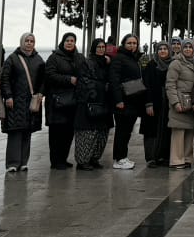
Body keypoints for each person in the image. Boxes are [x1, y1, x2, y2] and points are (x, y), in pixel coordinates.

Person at [1, 32, 45, 173]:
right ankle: (12, 163)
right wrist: (8, 96)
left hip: (31, 102)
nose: (29, 43)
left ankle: (23, 162)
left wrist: (40, 93)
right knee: (15, 132)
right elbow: (5, 78)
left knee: (27, 131)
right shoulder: (12, 59)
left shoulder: (38, 59)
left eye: (32, 41)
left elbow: (44, 80)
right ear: (22, 42)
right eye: (27, 40)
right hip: (15, 101)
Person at [74, 39, 118, 170]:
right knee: (87, 134)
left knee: (101, 134)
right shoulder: (87, 63)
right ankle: (83, 161)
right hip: (90, 103)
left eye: (103, 47)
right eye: (98, 47)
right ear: (93, 48)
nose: (101, 49)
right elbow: (84, 80)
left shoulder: (107, 63)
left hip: (105, 103)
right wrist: (99, 87)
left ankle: (94, 158)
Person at [43, 32, 85, 170]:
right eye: (67, 40)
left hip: (73, 101)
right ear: (63, 42)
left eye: (72, 40)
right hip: (58, 101)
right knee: (57, 133)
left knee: (68, 132)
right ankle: (55, 161)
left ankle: (63, 158)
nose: (69, 43)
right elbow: (49, 75)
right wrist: (68, 79)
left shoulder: (79, 58)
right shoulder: (54, 57)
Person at [109, 34, 148, 170]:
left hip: (133, 100)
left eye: (134, 43)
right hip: (124, 101)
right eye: (129, 43)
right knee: (122, 130)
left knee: (127, 131)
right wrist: (118, 100)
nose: (132, 46)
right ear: (123, 44)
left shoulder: (133, 58)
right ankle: (119, 159)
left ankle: (122, 157)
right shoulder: (119, 58)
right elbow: (114, 80)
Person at [166, 39, 194, 170]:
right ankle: (176, 160)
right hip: (180, 102)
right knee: (178, 132)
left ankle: (187, 158)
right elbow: (170, 84)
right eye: (186, 47)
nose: (188, 49)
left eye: (190, 47)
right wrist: (175, 102)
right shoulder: (176, 63)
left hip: (190, 103)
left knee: (190, 131)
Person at [142, 42, 173, 166]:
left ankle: (163, 156)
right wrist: (148, 103)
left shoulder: (172, 64)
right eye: (160, 49)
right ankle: (151, 157)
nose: (163, 51)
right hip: (154, 101)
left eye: (165, 49)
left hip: (167, 102)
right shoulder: (151, 65)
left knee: (166, 130)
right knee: (152, 130)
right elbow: (146, 84)